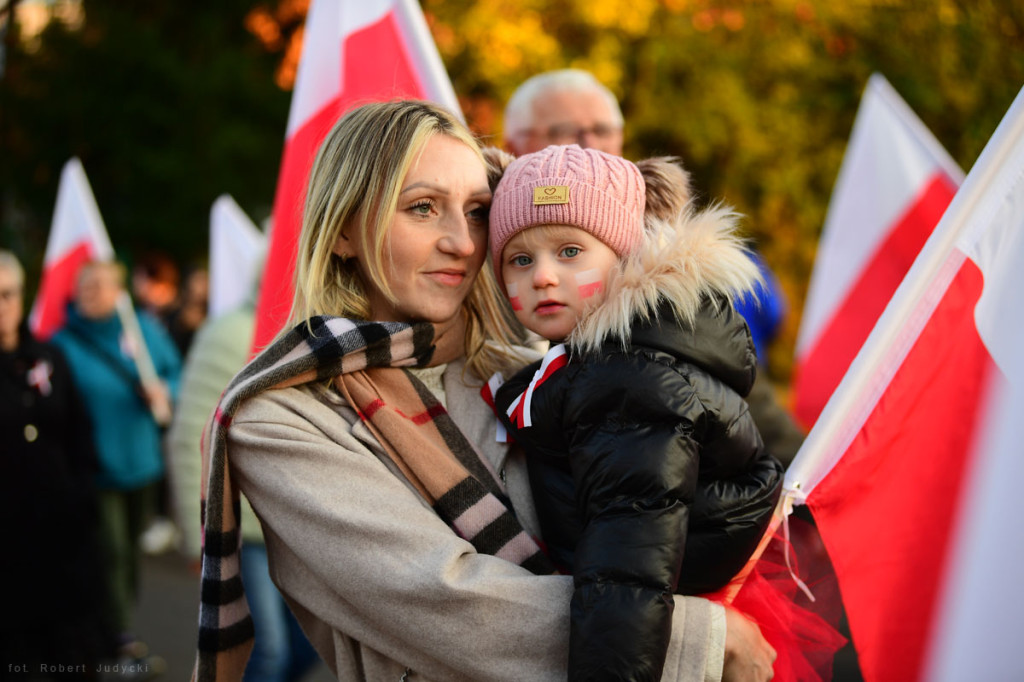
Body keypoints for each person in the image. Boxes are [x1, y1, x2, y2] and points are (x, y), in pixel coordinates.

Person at [193, 99, 777, 682]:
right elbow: (440, 601)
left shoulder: (526, 373)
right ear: (343, 230)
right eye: (423, 208)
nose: (463, 243)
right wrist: (703, 637)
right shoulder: (277, 422)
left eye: (476, 212)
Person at [487, 144, 791, 680]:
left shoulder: (628, 382)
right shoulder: (597, 360)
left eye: (570, 251)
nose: (542, 276)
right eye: (520, 259)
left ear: (626, 254)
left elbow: (627, 571)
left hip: (668, 613)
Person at [503, 68, 807, 466]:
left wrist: (803, 479)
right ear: (513, 147)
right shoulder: (476, 258)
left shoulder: (668, 282)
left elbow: (743, 402)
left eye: (603, 129)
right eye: (566, 131)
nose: (591, 144)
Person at [167, 274, 318, 682]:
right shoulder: (232, 332)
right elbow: (192, 437)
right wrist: (197, 535)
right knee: (264, 652)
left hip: (300, 529)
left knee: (314, 644)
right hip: (244, 531)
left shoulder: (321, 332)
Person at [52, 260, 181, 662]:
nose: (91, 294)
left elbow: (175, 371)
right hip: (95, 468)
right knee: (110, 551)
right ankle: (118, 633)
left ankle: (116, 621)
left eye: (100, 286)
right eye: (85, 287)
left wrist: (164, 390)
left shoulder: (140, 329)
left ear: (118, 291)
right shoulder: (63, 344)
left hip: (141, 464)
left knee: (129, 549)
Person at [0, 250, 114, 678]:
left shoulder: (49, 358)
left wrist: (82, 492)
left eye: (8, 294)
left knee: (74, 657)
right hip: (9, 549)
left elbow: (79, 431)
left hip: (63, 537)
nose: (2, 306)